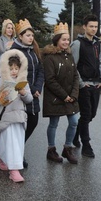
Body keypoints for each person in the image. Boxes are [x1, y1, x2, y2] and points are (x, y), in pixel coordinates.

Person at [42, 22, 80, 165]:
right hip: (56, 97)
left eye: (68, 40)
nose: (66, 42)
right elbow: (50, 80)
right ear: (57, 40)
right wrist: (64, 96)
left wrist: (74, 95)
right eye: (63, 39)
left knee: (74, 122)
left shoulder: (69, 55)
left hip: (70, 97)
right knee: (54, 123)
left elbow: (76, 76)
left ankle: (67, 148)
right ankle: (51, 149)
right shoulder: (49, 57)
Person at [0, 49, 32, 182]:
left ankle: (11, 166)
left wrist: (23, 93)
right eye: (11, 68)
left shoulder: (23, 81)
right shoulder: (0, 81)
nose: (14, 71)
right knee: (8, 141)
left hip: (20, 117)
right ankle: (12, 168)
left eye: (16, 68)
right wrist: (1, 97)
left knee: (17, 143)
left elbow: (30, 99)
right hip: (5, 116)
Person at [10, 18, 44, 168]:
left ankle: (17, 148)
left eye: (32, 35)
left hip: (33, 94)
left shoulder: (34, 50)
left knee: (33, 122)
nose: (31, 38)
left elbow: (41, 70)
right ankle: (16, 153)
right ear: (20, 36)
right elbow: (11, 73)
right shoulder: (14, 51)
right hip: (19, 94)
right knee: (18, 125)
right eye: (28, 35)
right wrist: (25, 88)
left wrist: (37, 87)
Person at [71, 14, 101, 157]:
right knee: (85, 115)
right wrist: (81, 83)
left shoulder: (98, 44)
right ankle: (86, 145)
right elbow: (73, 65)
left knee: (92, 114)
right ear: (84, 27)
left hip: (96, 84)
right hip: (84, 84)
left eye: (95, 27)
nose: (93, 29)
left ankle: (75, 135)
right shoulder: (78, 44)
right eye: (91, 26)